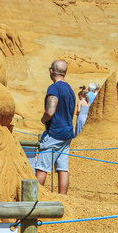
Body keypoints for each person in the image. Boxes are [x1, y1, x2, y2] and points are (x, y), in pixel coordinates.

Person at [35, 59, 75, 194]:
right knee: (63, 168)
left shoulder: (54, 88)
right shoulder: (70, 89)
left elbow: (50, 111)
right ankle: (63, 199)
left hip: (54, 134)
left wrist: (43, 119)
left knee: (42, 167)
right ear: (65, 73)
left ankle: (35, 199)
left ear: (51, 71)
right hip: (67, 134)